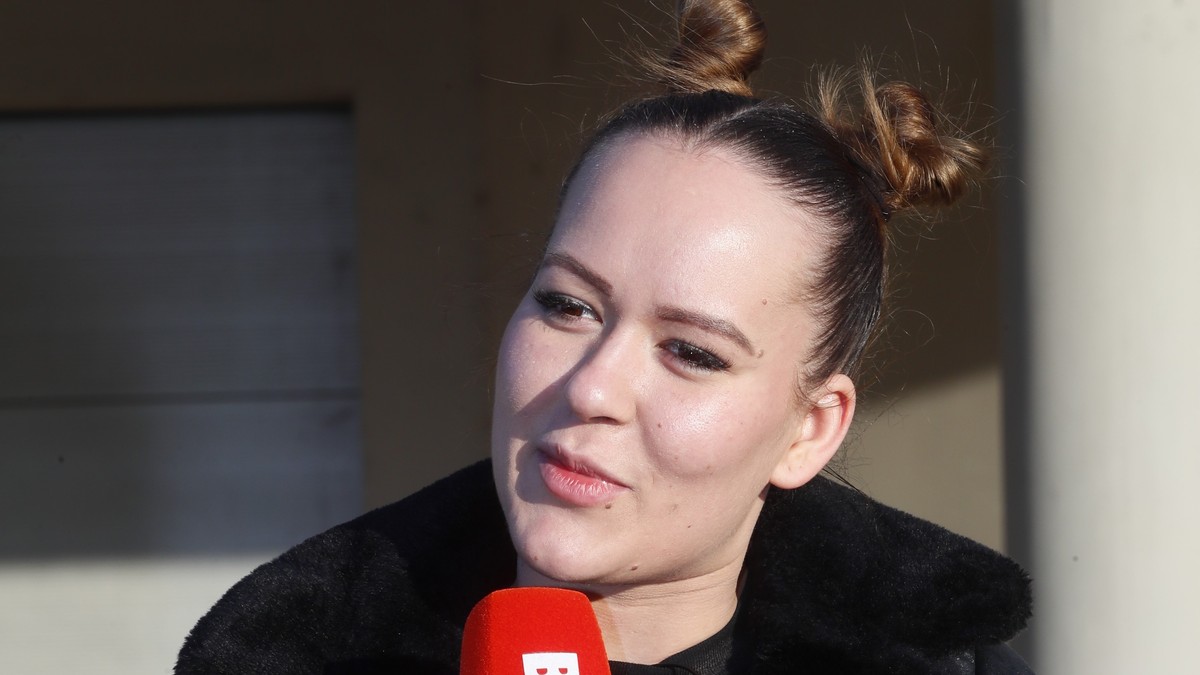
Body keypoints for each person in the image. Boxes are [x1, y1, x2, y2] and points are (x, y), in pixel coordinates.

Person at [176, 1, 1032, 672]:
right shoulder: (290, 649)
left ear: (810, 430)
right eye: (567, 306)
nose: (591, 386)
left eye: (692, 352)